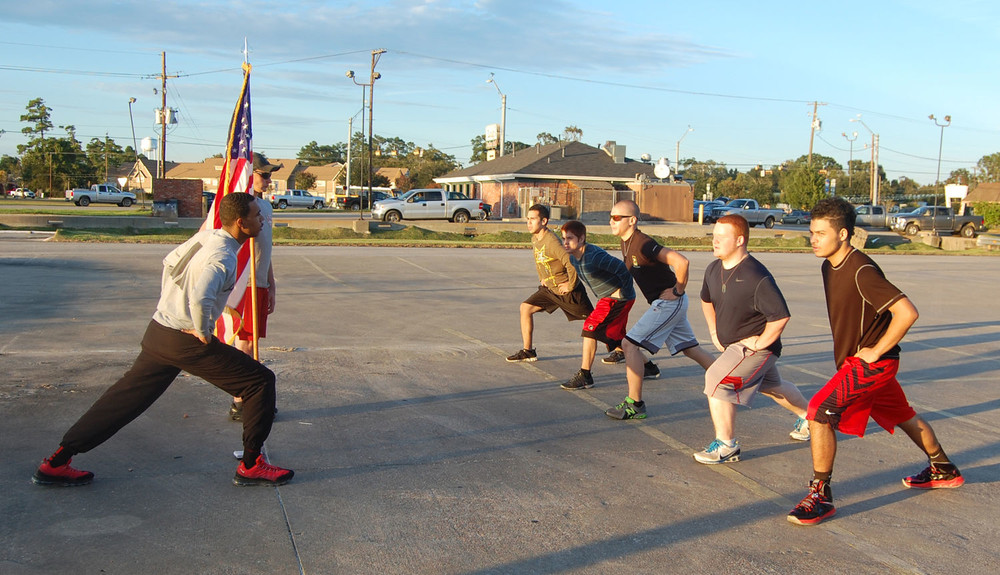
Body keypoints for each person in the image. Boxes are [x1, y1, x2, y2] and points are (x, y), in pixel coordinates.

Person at [32, 192, 294, 487]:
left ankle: (56, 461)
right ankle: (251, 465)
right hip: (185, 338)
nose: (262, 220)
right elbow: (200, 297)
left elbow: (169, 263)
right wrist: (204, 331)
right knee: (259, 381)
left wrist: (169, 303)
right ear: (241, 222)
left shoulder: (208, 237)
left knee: (124, 400)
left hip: (160, 331)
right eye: (257, 216)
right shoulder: (222, 256)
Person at [787, 197, 962, 526]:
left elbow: (907, 312)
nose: (813, 239)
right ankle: (943, 467)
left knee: (820, 413)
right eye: (812, 232)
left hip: (872, 364)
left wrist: (876, 350)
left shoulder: (862, 270)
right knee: (904, 415)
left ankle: (820, 495)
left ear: (843, 234)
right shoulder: (829, 265)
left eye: (821, 233)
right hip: (860, 363)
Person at [694, 214, 810, 464]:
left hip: (755, 348)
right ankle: (812, 418)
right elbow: (706, 300)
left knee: (716, 380)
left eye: (720, 237)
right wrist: (714, 331)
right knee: (772, 387)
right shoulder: (713, 268)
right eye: (713, 236)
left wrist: (759, 343)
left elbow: (780, 317)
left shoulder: (756, 276)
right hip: (733, 345)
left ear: (739, 240)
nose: (714, 241)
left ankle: (726, 445)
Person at [605, 200, 715, 419]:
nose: (611, 221)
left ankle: (634, 404)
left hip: (669, 303)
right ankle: (730, 379)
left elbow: (681, 261)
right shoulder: (626, 242)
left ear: (632, 220)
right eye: (611, 217)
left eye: (617, 217)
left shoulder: (643, 243)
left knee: (629, 344)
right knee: (690, 349)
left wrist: (678, 289)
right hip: (664, 304)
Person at [229, 152, 282, 422]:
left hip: (259, 282)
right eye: (263, 174)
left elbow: (266, 250)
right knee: (245, 343)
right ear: (250, 174)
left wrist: (271, 283)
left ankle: (252, 396)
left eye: (270, 174)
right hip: (243, 284)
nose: (268, 179)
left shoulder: (266, 208)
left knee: (252, 341)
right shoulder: (239, 207)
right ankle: (243, 399)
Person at [506, 204, 594, 363]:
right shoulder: (535, 238)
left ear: (544, 221)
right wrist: (543, 277)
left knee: (595, 323)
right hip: (550, 289)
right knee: (525, 308)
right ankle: (528, 351)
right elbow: (541, 261)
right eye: (528, 219)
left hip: (568, 292)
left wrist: (571, 285)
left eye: (533, 219)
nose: (529, 223)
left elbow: (571, 262)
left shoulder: (552, 241)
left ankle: (621, 348)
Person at [558, 220, 636, 390]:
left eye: (570, 238)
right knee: (616, 337)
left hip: (618, 299)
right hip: (607, 299)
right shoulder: (573, 259)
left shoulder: (594, 257)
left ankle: (585, 375)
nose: (565, 242)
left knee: (590, 329)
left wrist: (622, 292)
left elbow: (623, 269)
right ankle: (649, 367)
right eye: (563, 238)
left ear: (581, 239)